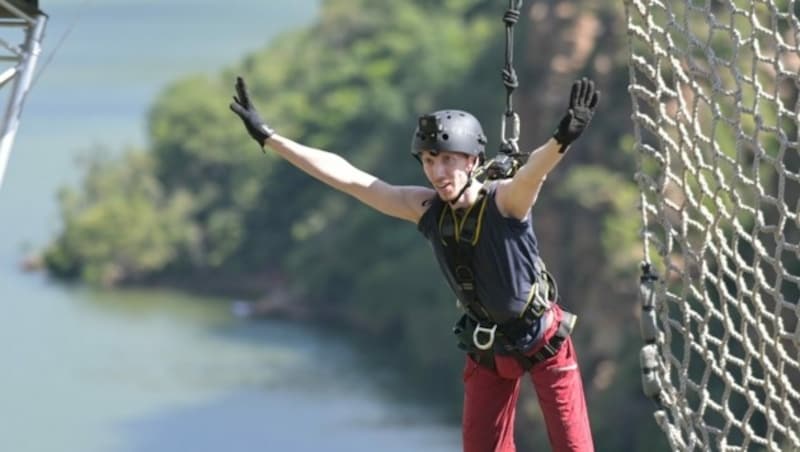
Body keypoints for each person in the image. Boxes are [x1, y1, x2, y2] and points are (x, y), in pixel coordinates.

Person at [230, 75, 599, 452]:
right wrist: (271, 138)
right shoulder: (427, 210)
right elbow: (351, 179)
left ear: (473, 160)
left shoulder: (505, 203)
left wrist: (562, 139)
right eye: (428, 161)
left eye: (447, 160)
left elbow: (533, 173)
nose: (437, 173)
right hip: (490, 347)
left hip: (542, 340)